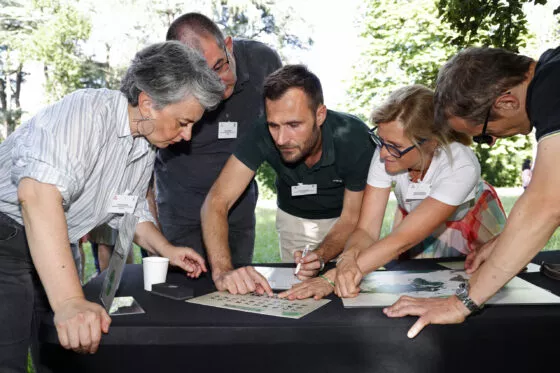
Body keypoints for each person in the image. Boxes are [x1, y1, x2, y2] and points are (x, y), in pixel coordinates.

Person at [0, 40, 223, 371]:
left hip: (52, 241)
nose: (187, 136)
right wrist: (71, 301)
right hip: (7, 240)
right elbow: (36, 195)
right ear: (147, 103)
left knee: (59, 347)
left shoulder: (144, 146)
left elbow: (129, 210)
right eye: (183, 122)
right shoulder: (85, 113)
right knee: (9, 355)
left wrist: (166, 249)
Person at [383, 45, 560, 338]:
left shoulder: (553, 88)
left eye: (483, 135)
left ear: (506, 103)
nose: (491, 141)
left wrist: (461, 302)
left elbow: (547, 204)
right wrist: (505, 239)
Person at [280, 85, 506, 301]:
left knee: (487, 287)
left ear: (430, 143)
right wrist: (347, 258)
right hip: (414, 226)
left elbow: (402, 239)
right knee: (421, 291)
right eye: (381, 140)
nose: (384, 153)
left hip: (470, 221)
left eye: (395, 146)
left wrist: (330, 279)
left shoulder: (460, 164)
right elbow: (367, 229)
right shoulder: (388, 152)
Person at [201, 64, 375, 295]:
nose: (282, 139)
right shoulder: (260, 133)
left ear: (320, 115)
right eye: (274, 125)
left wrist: (322, 256)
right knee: (298, 294)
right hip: (294, 218)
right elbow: (216, 201)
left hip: (344, 220)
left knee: (348, 292)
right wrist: (222, 271)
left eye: (294, 125)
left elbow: (352, 217)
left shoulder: (354, 137)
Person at [152, 13, 282, 265]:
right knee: (185, 296)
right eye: (203, 76)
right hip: (181, 210)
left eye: (220, 65)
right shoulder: (163, 82)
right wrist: (155, 234)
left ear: (229, 46)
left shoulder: (262, 63)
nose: (218, 82)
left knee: (236, 289)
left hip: (237, 206)